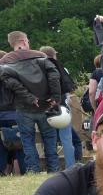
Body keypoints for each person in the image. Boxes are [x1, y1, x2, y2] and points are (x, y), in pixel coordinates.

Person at [0, 31, 61, 173]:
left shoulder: (5, 61)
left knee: (27, 142)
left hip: (23, 107)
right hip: (46, 105)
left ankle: (33, 171)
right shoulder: (41, 55)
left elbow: (11, 83)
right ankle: (54, 171)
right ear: (23, 41)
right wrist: (55, 96)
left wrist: (29, 98)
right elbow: (54, 75)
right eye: (27, 40)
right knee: (50, 140)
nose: (28, 42)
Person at [40, 45, 79, 168]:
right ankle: (70, 166)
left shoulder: (38, 70)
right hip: (62, 107)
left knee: (49, 139)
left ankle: (53, 166)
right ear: (54, 55)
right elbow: (68, 88)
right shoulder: (62, 68)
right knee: (66, 139)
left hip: (45, 107)